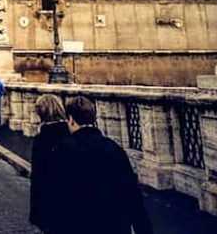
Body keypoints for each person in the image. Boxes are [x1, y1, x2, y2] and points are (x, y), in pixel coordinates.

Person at [43, 96, 152, 234]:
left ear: (70, 119)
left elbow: (56, 197)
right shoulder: (113, 148)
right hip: (115, 225)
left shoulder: (63, 150)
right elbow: (131, 193)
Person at [29, 94, 70, 233]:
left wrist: (37, 214)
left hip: (51, 206)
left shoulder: (42, 139)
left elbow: (38, 179)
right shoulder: (71, 134)